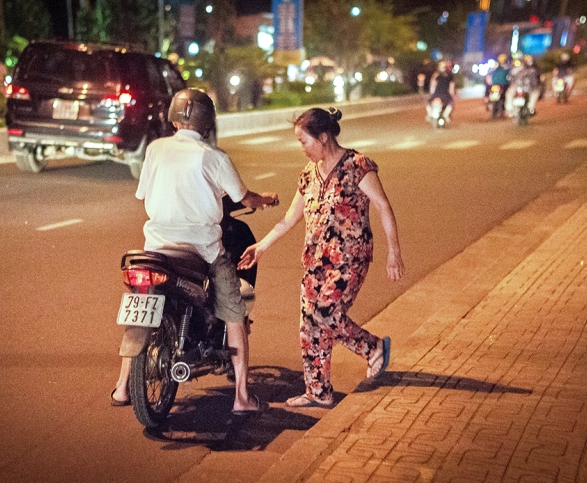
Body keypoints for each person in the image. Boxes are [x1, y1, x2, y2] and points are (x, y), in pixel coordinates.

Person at [111, 88, 278, 414]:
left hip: (156, 250)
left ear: (173, 116)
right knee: (235, 312)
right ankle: (242, 397)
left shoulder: (156, 149)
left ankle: (121, 388)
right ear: (207, 121)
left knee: (140, 305)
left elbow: (143, 194)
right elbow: (244, 198)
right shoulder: (214, 156)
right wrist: (265, 199)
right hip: (201, 251)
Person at [238, 107, 405, 408]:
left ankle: (374, 347)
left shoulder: (357, 166)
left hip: (350, 259)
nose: (301, 148)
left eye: (304, 141)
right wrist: (261, 247)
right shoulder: (308, 176)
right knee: (310, 327)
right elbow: (289, 219)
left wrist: (394, 252)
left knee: (326, 312)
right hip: (315, 261)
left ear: (324, 137)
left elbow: (383, 206)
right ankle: (319, 392)